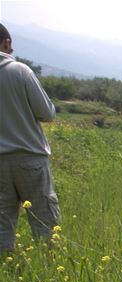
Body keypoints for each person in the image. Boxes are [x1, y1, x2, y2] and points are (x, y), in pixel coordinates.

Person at [0, 22, 61, 252]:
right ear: (7, 42)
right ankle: (51, 271)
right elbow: (47, 113)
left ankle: (5, 274)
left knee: (2, 225)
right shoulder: (20, 71)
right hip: (30, 158)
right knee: (45, 220)